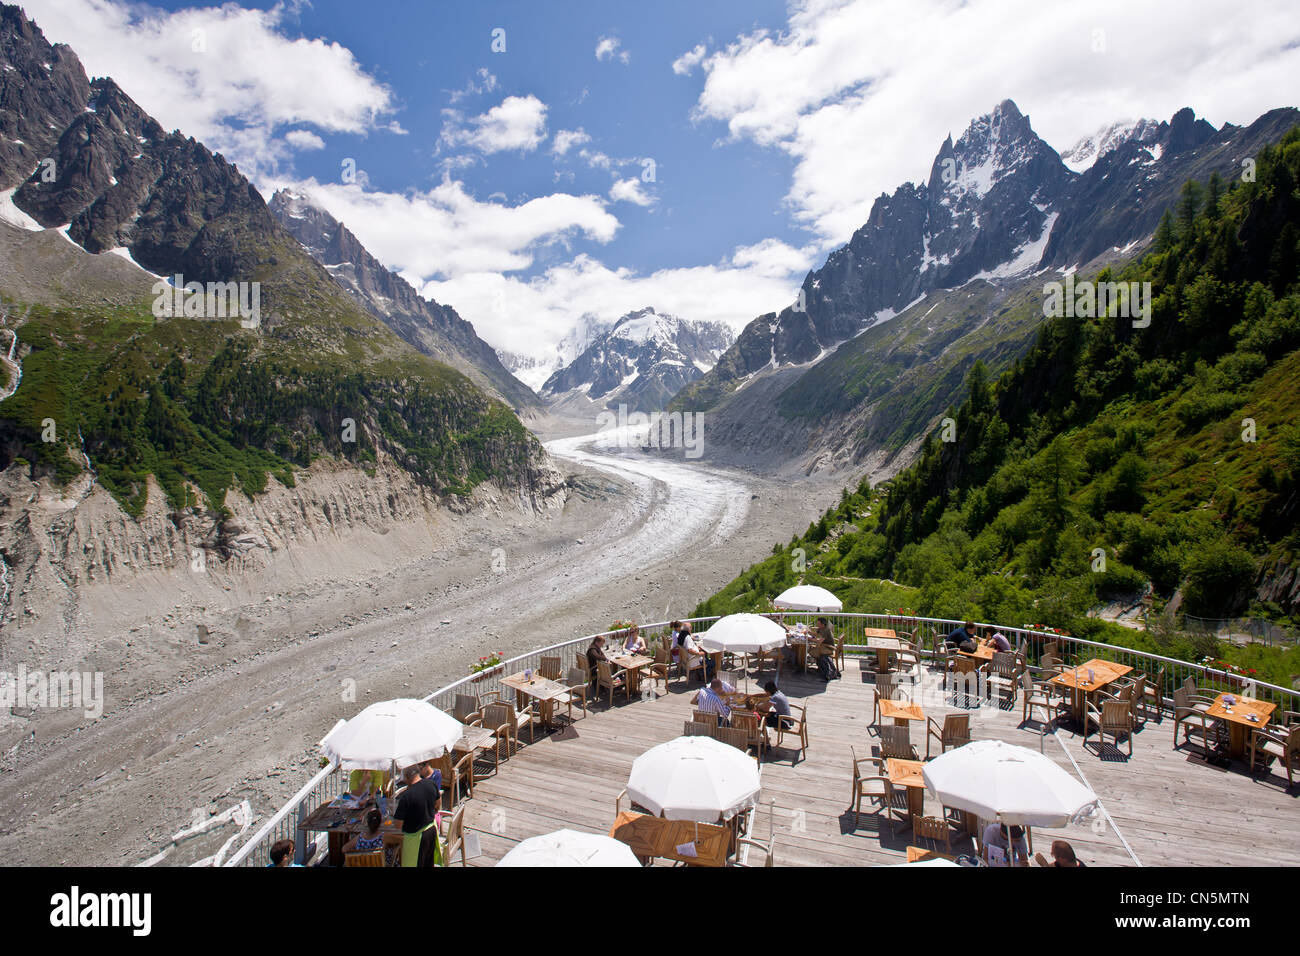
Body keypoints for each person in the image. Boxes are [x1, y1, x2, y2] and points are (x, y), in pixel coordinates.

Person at [393, 764, 442, 867]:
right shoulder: (431, 783)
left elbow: (398, 825)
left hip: (416, 839)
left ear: (406, 777)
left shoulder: (406, 796)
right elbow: (438, 804)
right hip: (431, 830)